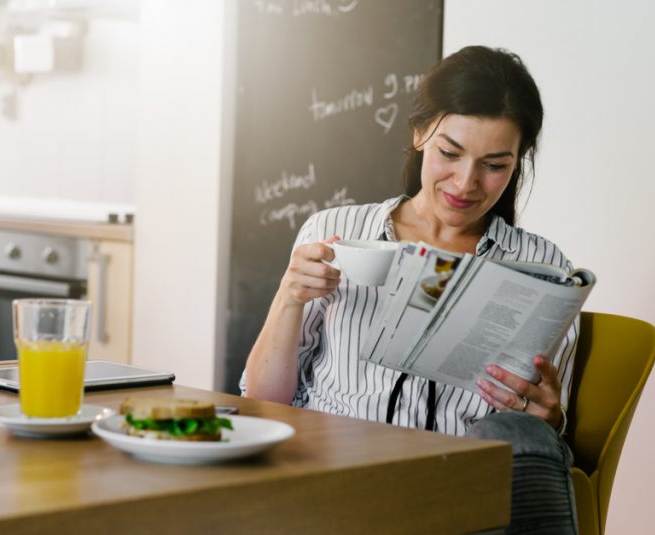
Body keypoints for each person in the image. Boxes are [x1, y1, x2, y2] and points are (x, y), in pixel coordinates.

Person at [241, 45, 579, 534]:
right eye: (449, 153)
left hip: (458, 493)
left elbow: (538, 438)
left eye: (495, 164)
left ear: (517, 162)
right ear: (420, 133)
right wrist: (289, 297)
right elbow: (264, 402)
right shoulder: (334, 229)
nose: (466, 183)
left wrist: (544, 416)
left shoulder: (544, 267)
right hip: (335, 473)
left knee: (519, 440)